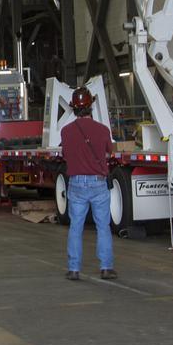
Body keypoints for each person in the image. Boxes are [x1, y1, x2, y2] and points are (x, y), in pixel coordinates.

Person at [60, 87, 117, 281]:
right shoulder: (103, 130)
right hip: (98, 183)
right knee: (103, 226)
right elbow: (110, 153)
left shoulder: (66, 132)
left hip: (76, 184)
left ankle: (74, 269)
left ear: (73, 108)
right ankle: (106, 268)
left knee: (76, 227)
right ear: (91, 106)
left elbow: (66, 156)